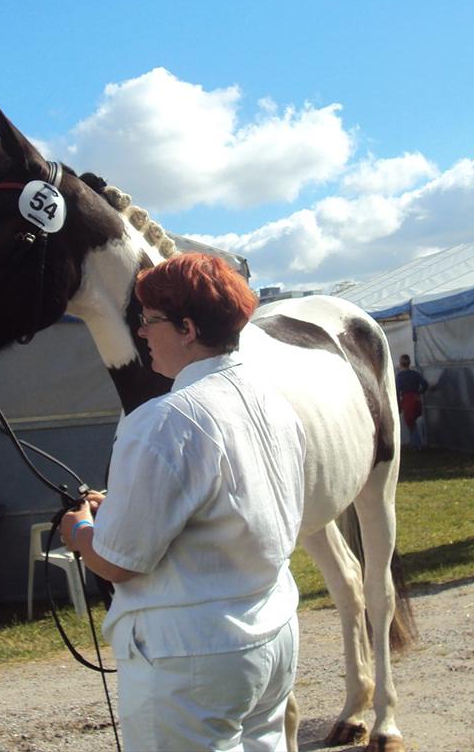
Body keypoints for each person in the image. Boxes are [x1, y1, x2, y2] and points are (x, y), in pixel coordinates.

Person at [59, 253, 306, 752]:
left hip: (192, 658)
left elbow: (118, 562)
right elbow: (228, 503)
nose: (143, 333)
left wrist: (79, 533)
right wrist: (124, 505)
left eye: (149, 321)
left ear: (187, 328)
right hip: (271, 634)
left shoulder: (166, 419)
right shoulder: (272, 401)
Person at [395, 354, 429, 450]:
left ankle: (417, 445)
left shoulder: (400, 377)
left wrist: (398, 405)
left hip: (407, 399)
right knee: (416, 421)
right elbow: (425, 384)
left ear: (401, 364)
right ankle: (415, 443)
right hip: (416, 398)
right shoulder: (415, 374)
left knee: (410, 423)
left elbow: (397, 391)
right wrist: (420, 392)